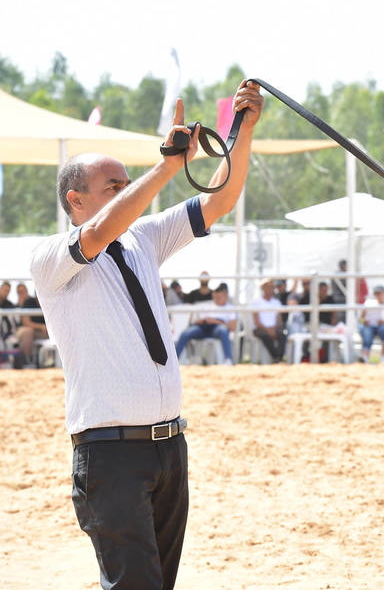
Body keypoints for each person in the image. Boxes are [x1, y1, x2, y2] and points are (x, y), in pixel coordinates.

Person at [29, 81, 263, 589]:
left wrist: (240, 130)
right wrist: (166, 169)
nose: (129, 192)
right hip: (109, 454)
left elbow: (217, 200)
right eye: (116, 187)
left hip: (168, 446)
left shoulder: (142, 239)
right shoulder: (51, 259)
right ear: (76, 200)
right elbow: (95, 235)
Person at [174, 283, 237, 365]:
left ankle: (228, 359)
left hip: (218, 328)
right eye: (215, 296)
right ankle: (175, 359)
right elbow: (196, 321)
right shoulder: (208, 306)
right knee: (185, 333)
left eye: (219, 296)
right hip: (203, 327)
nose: (216, 298)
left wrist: (215, 321)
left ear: (225, 295)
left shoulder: (230, 309)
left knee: (223, 330)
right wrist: (204, 321)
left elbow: (232, 327)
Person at [250, 278, 285, 362]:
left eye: (272, 287)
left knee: (282, 334)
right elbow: (257, 322)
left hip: (273, 328)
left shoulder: (277, 302)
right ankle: (277, 358)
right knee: (265, 336)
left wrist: (274, 329)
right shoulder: (256, 302)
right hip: (260, 329)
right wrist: (268, 330)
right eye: (268, 287)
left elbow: (279, 320)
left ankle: (278, 358)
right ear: (263, 288)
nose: (271, 289)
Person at [359, 285, 384, 363]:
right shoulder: (368, 303)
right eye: (376, 294)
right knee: (367, 333)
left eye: (380, 293)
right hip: (370, 326)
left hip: (383, 327)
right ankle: (364, 357)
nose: (378, 296)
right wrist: (364, 322)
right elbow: (361, 319)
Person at [13, 284, 48, 369]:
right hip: (24, 331)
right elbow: (26, 322)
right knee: (28, 332)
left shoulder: (49, 303)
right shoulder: (28, 302)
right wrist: (41, 326)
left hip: (44, 332)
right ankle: (27, 362)